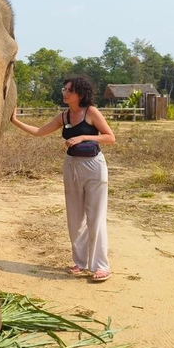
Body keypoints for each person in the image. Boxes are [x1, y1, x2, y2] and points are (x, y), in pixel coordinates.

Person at [10, 76, 116, 282]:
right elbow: (40, 132)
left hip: (94, 167)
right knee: (75, 218)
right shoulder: (64, 116)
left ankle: (101, 265)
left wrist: (84, 137)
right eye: (64, 89)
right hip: (71, 167)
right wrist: (15, 121)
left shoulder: (91, 112)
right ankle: (81, 262)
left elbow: (110, 137)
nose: (65, 93)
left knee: (95, 217)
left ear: (81, 94)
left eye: (70, 90)